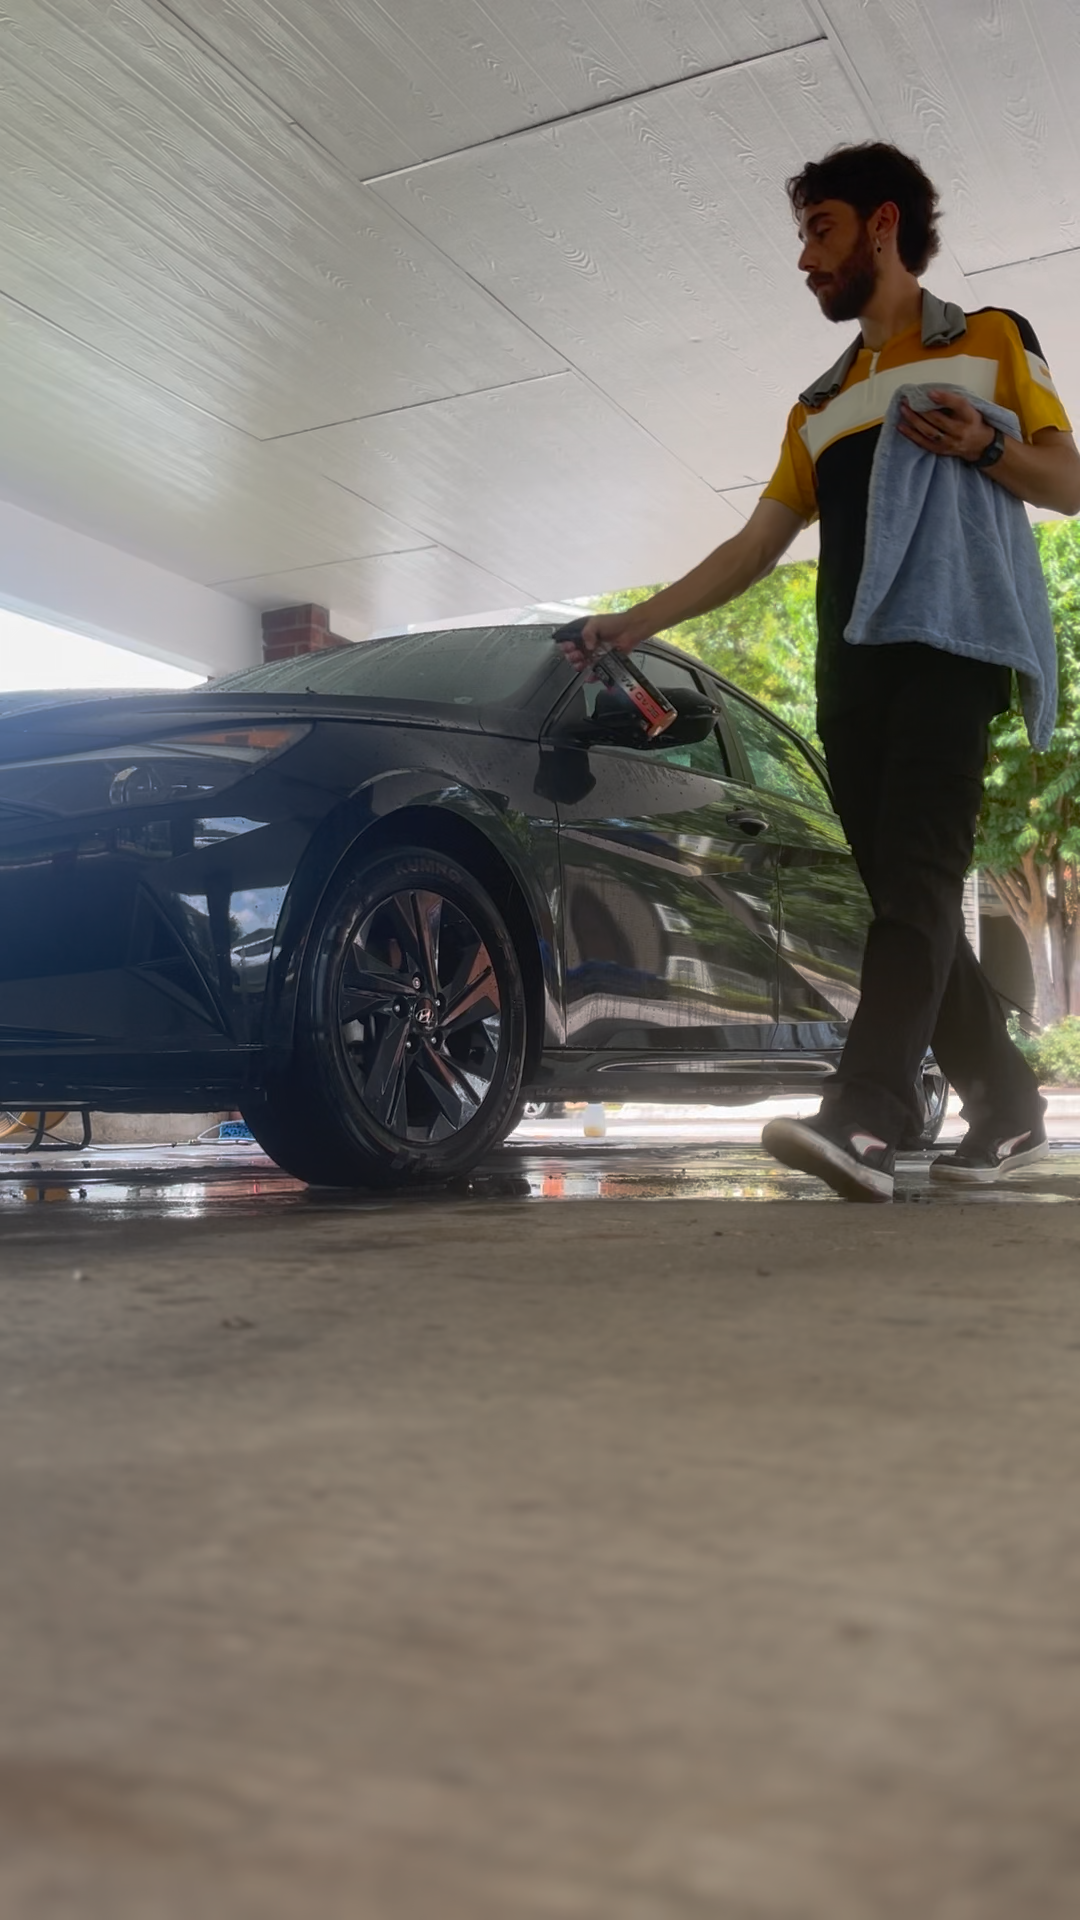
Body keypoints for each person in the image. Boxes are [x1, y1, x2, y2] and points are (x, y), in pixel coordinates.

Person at [560, 142, 1080, 1203]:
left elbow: (1066, 481)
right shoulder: (819, 402)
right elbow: (756, 546)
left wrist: (985, 448)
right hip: (852, 673)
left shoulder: (989, 338)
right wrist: (635, 623)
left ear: (883, 226)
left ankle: (869, 1115)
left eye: (820, 230)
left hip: (950, 648)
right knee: (904, 896)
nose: (804, 259)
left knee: (920, 879)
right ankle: (1010, 1105)